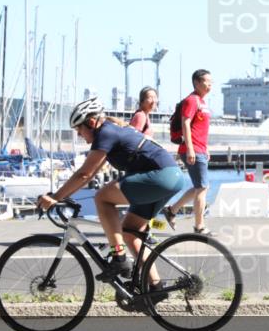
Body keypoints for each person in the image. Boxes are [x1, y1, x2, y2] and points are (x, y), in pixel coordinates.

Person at [38, 97, 183, 292]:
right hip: (172, 177)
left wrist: (55, 198)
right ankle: (156, 287)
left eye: (78, 129)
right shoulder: (111, 131)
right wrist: (60, 196)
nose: (79, 134)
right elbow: (90, 173)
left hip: (161, 176)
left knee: (102, 197)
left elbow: (84, 174)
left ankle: (119, 258)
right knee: (130, 232)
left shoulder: (105, 132)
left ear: (91, 122)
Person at [163, 69, 212, 234]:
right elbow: (185, 123)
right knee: (202, 188)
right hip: (192, 149)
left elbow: (200, 129)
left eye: (211, 81)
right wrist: (191, 149)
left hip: (200, 149)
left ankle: (172, 210)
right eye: (206, 81)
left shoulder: (202, 102)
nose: (210, 84)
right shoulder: (192, 101)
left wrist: (206, 149)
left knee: (200, 186)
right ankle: (199, 226)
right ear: (197, 83)